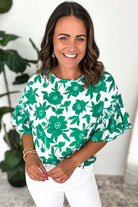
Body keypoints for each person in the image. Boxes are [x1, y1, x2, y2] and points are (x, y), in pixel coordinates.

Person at [12, 1, 131, 207]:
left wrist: (73, 163)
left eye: (80, 39)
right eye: (63, 38)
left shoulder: (102, 84)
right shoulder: (37, 84)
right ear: (51, 39)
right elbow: (26, 124)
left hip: (81, 175)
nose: (72, 47)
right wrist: (30, 156)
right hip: (42, 176)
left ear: (88, 42)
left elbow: (106, 132)